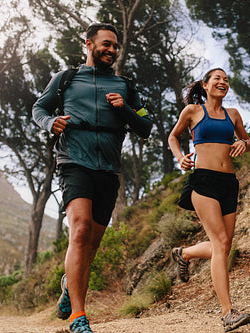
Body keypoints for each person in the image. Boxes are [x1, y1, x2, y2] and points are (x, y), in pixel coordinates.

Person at [32, 23, 152, 333]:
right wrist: (50, 122)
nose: (112, 50)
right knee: (81, 230)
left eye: (115, 46)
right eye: (106, 44)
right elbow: (39, 108)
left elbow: (145, 124)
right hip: (74, 160)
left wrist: (124, 109)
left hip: (109, 169)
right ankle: (78, 317)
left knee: (92, 246)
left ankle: (67, 288)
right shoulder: (67, 78)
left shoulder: (125, 85)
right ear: (89, 44)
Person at [168, 68, 250, 332]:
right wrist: (180, 157)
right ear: (205, 85)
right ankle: (228, 313)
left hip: (229, 183)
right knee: (221, 243)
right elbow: (173, 136)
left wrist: (244, 144)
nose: (223, 82)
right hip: (203, 181)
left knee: (223, 247)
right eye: (217, 78)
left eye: (226, 80)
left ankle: (185, 253)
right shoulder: (193, 111)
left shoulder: (233, 114)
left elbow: (246, 139)